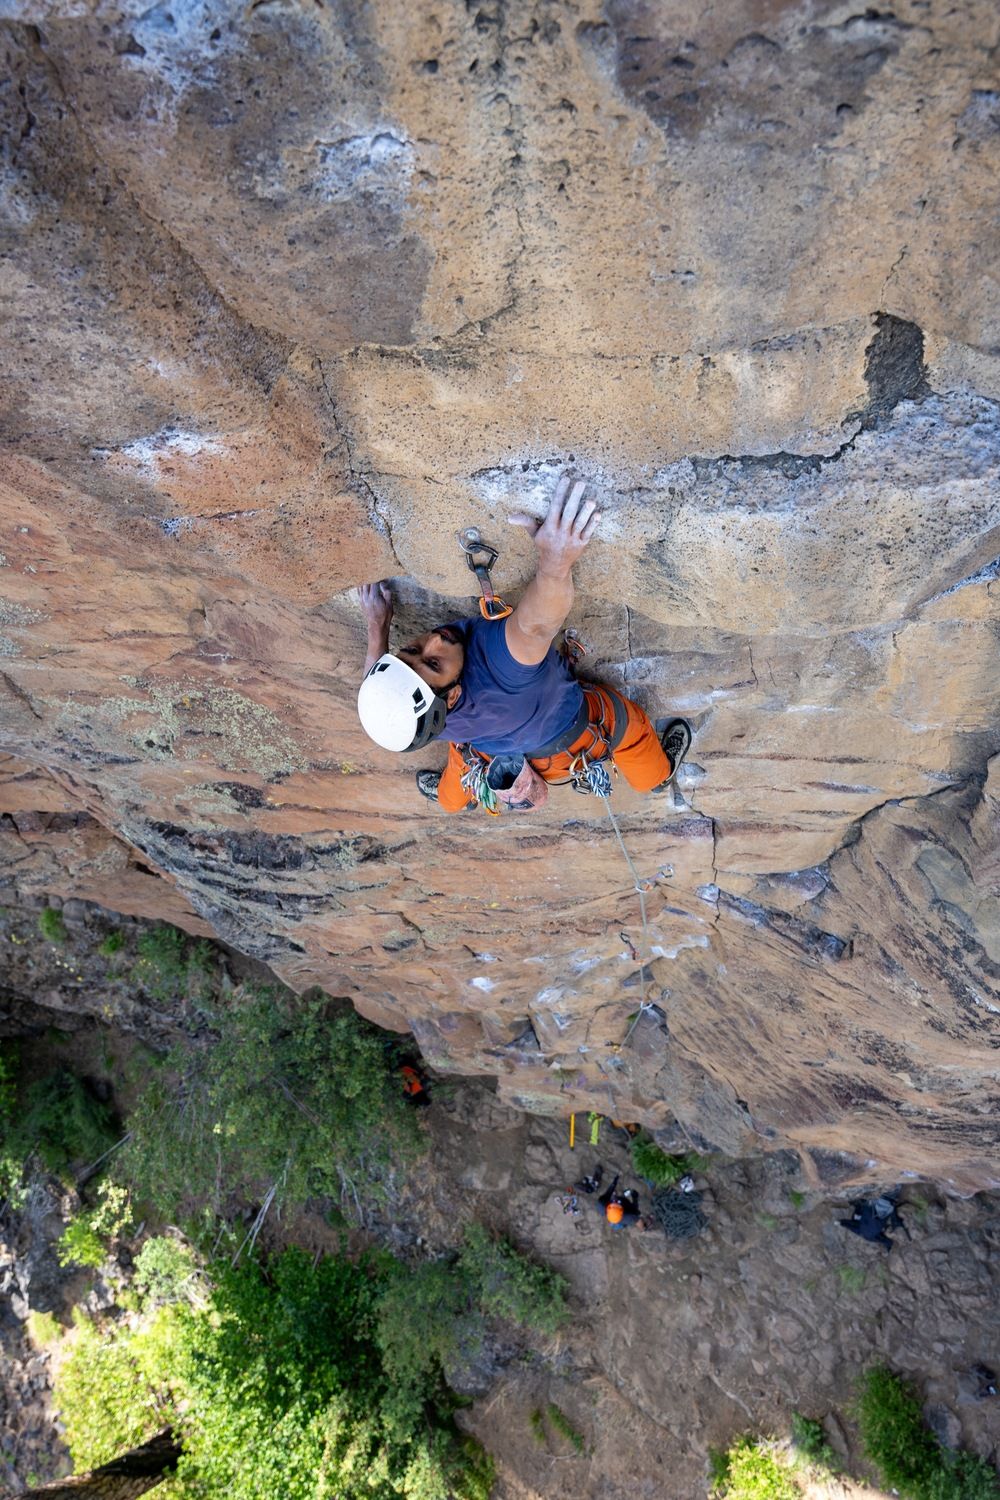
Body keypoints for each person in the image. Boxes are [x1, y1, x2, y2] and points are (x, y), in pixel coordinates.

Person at [357, 475, 692, 810]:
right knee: (650, 777)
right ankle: (663, 775)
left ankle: (469, 795)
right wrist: (555, 564)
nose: (432, 640)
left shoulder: (417, 716)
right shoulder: (500, 666)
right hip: (574, 737)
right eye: (434, 662)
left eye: (411, 650)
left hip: (481, 748)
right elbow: (536, 626)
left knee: (449, 801)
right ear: (453, 694)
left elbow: (382, 687)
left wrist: (377, 624)